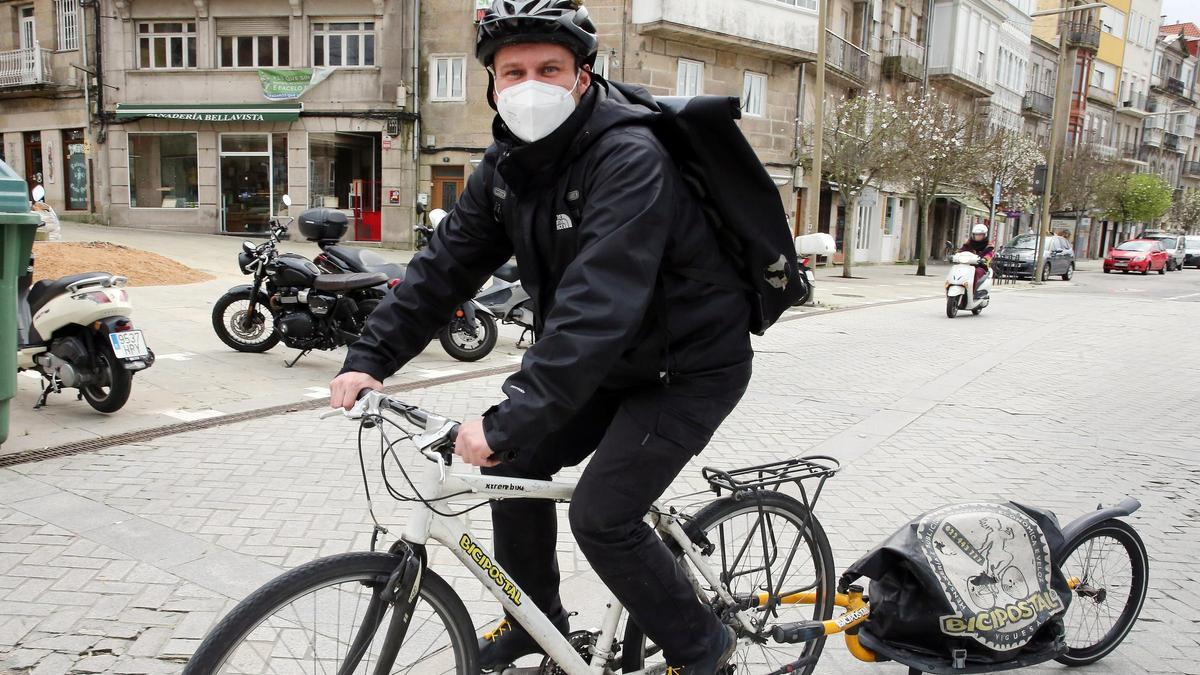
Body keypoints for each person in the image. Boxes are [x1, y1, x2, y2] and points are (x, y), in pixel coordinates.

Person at [328, 1, 751, 672]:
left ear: (583, 76)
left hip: (687, 366)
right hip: (606, 364)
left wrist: (510, 414)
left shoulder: (630, 156)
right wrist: (370, 359)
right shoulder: (505, 167)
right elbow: (443, 268)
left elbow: (596, 304)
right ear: (492, 84)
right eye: (512, 70)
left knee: (603, 514)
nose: (530, 84)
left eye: (549, 68)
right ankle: (535, 621)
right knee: (515, 459)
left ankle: (706, 647)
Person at [960, 224, 994, 293]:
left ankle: (972, 292)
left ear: (984, 235)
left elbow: (990, 254)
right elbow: (961, 251)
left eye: (980, 235)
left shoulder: (989, 246)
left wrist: (985, 259)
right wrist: (954, 255)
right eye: (976, 234)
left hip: (981, 267)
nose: (978, 236)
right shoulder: (968, 244)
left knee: (976, 272)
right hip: (967, 265)